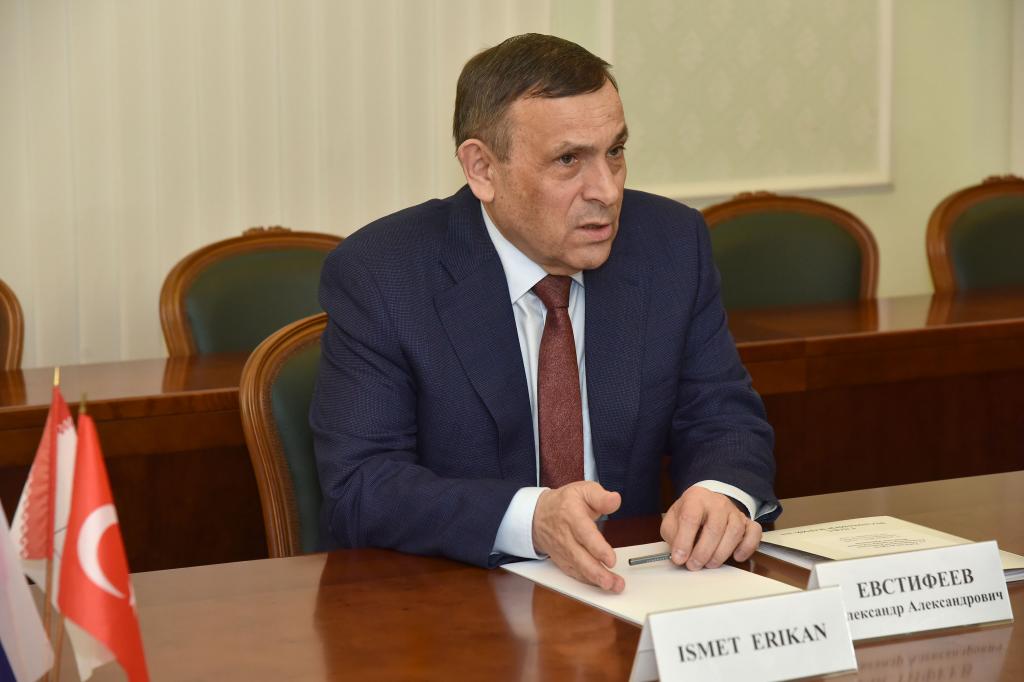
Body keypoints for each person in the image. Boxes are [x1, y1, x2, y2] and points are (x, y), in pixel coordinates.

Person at [311, 33, 779, 593]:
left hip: (636, 588)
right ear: (482, 168)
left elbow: (721, 414)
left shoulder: (670, 245)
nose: (606, 190)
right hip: (459, 599)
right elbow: (362, 485)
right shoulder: (384, 274)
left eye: (615, 152)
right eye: (568, 160)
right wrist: (529, 519)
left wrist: (720, 493)